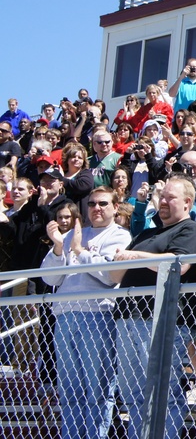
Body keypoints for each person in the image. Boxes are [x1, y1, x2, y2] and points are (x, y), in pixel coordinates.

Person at [111, 176, 196, 439]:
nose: (163, 201)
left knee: (161, 391)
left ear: (188, 202)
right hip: (127, 316)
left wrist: (133, 256)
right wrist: (124, 257)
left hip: (161, 319)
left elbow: (177, 265)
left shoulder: (192, 230)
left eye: (170, 197)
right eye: (161, 196)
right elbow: (115, 276)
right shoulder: (146, 233)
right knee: (131, 390)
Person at [40, 188, 131, 439]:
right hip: (65, 316)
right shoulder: (70, 236)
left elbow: (109, 276)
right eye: (91, 204)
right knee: (69, 388)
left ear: (115, 207)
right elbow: (49, 277)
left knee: (97, 387)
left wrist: (80, 252)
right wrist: (60, 248)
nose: (96, 208)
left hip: (97, 314)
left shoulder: (120, 236)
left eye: (103, 203)